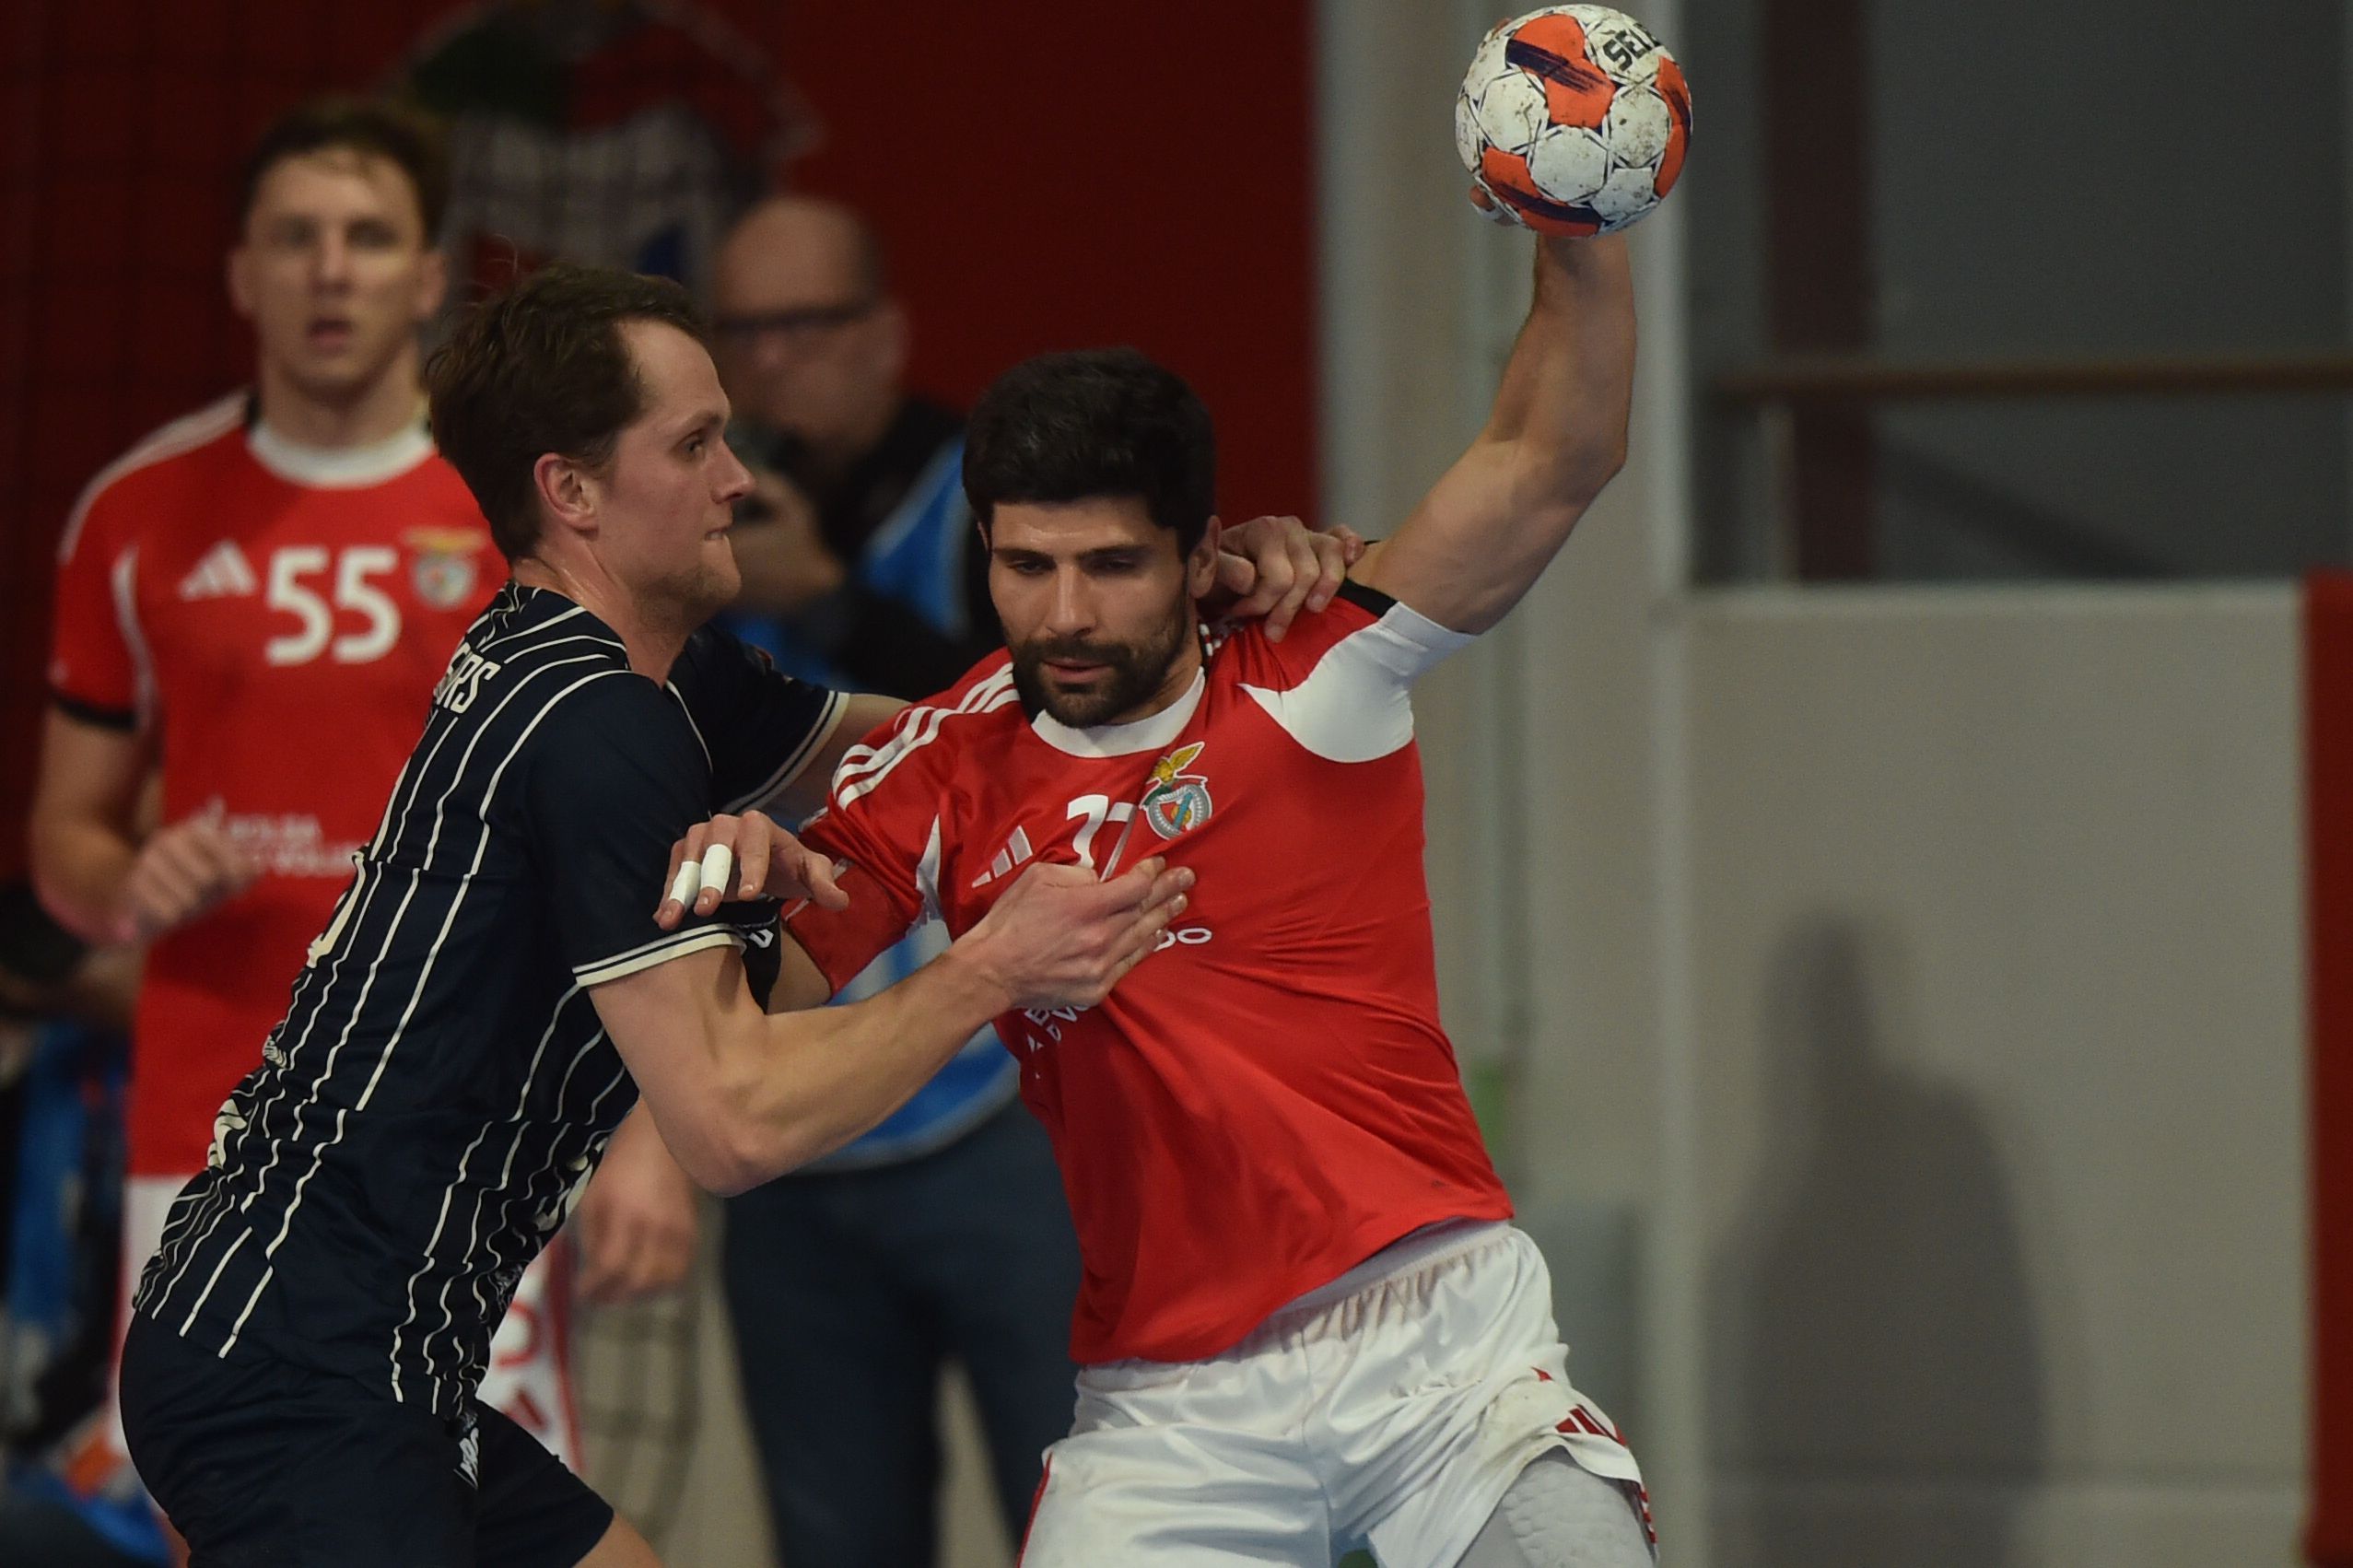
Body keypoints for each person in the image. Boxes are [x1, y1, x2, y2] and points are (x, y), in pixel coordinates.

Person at [111, 259, 1213, 1568]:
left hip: (336, 1347)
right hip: (297, 1369)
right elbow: (731, 1125)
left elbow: (920, 748)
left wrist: (1190, 643)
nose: (738, 477)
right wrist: (990, 968)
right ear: (570, 491)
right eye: (694, 444)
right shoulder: (600, 724)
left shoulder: (636, 670)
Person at [661, 220, 1657, 1566]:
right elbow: (741, 1055)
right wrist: (732, 889)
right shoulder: (941, 770)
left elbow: (1552, 456)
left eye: (1112, 566)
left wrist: (1577, 237)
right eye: (1025, 565)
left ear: (1199, 557)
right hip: (1169, 1419)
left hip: (1442, 1348)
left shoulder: (1314, 656)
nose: (1063, 613)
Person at [26, 96, 666, 1522]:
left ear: (430, 275)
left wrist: (639, 1134)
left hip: (464, 1130)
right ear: (241, 272)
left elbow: (617, 837)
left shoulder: (527, 509)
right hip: (207, 1139)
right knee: (243, 1522)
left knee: (483, 1521)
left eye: (369, 238)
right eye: (296, 239)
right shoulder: (136, 512)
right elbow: (63, 846)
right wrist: (126, 879)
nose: (331, 270)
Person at [703, 193, 1083, 1562]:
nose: (773, 360)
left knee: (1088, 1522)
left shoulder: (996, 506)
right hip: (790, 1132)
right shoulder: (691, 536)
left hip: (1000, 1118)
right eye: (741, 330)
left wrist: (818, 601)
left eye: (804, 323)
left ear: (881, 335)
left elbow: (1027, 735)